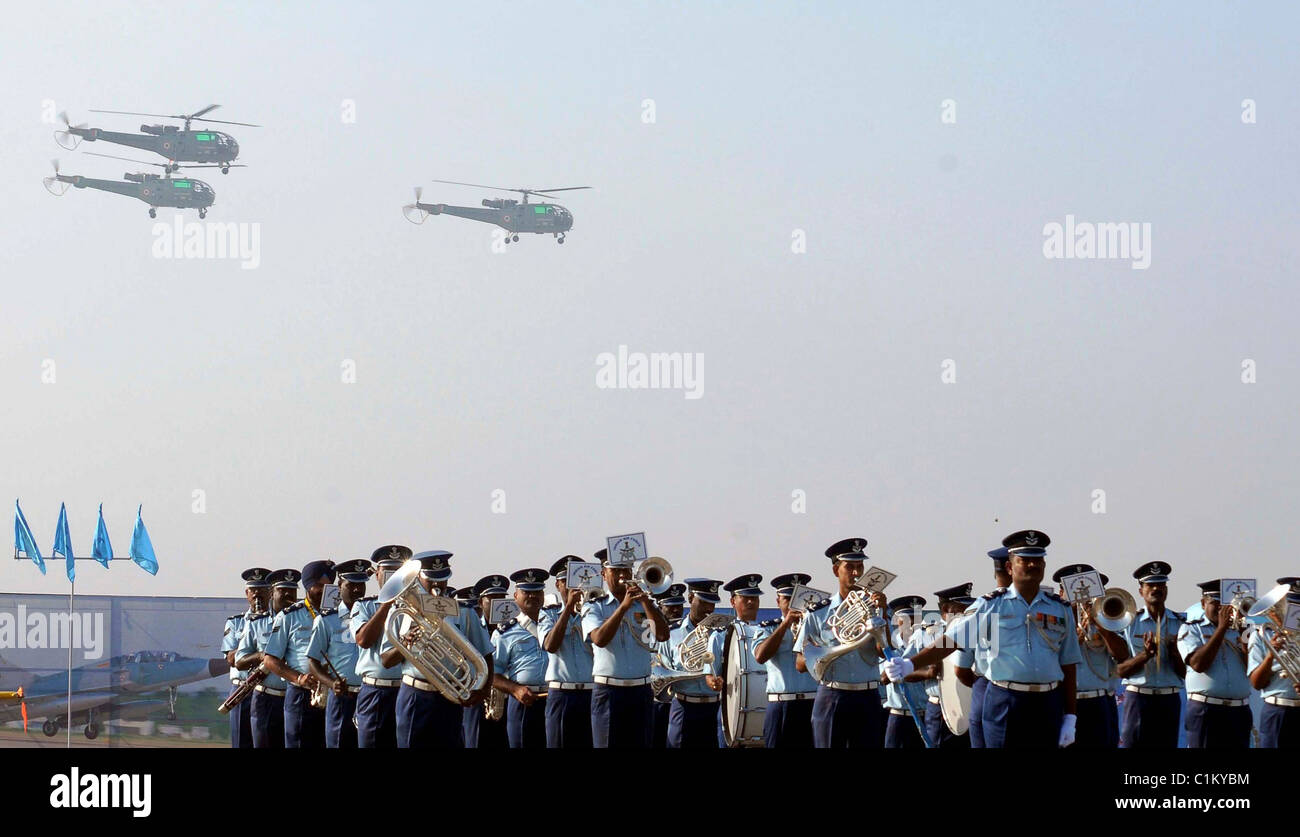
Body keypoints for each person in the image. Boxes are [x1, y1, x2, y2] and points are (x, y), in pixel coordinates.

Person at [887, 530, 1080, 749]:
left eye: (1038, 561)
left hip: (1048, 703)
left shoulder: (1059, 609)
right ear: (1010, 567)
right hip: (1005, 700)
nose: (1032, 566)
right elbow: (952, 640)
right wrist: (911, 663)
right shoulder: (990, 605)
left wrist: (1070, 717)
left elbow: (1069, 664)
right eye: (1024, 560)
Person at [388, 551, 493, 749]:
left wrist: (483, 690)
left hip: (451, 696)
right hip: (415, 695)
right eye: (432, 580)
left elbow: (485, 654)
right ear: (418, 578)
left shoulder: (464, 611)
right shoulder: (402, 611)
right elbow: (386, 660)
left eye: (442, 580)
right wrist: (404, 645)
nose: (438, 585)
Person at [794, 537, 889, 748]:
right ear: (836, 570)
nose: (856, 573)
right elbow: (800, 663)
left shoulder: (876, 607)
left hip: (868, 695)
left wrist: (883, 616)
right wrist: (822, 658)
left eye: (860, 566)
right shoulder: (818, 612)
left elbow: (884, 652)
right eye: (850, 567)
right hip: (832, 694)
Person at [581, 547, 670, 748]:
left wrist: (646, 602)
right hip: (609, 692)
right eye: (616, 571)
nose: (622, 576)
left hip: (641, 691)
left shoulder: (644, 605)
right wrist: (623, 607)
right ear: (604, 574)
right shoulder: (594, 606)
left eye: (626, 571)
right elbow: (599, 639)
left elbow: (663, 635)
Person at [1052, 565, 1127, 748]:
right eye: (1075, 590)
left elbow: (1123, 656)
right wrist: (1075, 636)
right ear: (1062, 592)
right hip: (1068, 704)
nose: (1083, 598)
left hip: (1101, 702)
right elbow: (1050, 660)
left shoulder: (1108, 620)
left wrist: (1103, 628)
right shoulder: (1053, 623)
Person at [263, 560, 334, 748]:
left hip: (335, 694)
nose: (323, 591)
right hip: (302, 695)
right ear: (308, 586)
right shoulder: (289, 616)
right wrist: (298, 678)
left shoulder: (340, 615)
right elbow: (270, 659)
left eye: (328, 586)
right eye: (319, 586)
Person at [1116, 561, 1185, 748]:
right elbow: (1120, 670)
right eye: (1150, 585)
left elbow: (1187, 673)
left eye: (1161, 584)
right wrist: (1144, 656)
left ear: (1167, 589)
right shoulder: (1129, 622)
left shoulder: (1181, 623)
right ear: (1141, 591)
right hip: (1139, 698)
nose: (1156, 589)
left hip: (1168, 699)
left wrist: (1174, 653)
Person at [1178, 579, 1252, 748]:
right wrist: (1221, 630)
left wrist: (1245, 638)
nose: (1221, 609)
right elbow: (1198, 665)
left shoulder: (1241, 631)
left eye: (1225, 605)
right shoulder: (1191, 629)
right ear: (1203, 604)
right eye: (1215, 603)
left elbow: (1253, 672)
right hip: (1206, 709)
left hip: (1239, 711)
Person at [350, 545, 410, 748]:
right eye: (388, 572)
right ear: (377, 574)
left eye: (398, 572)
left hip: (407, 689)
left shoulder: (414, 605)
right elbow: (363, 640)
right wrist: (387, 604)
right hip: (375, 690)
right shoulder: (364, 606)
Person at [308, 558, 370, 748]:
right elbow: (313, 661)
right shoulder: (326, 620)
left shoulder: (374, 617)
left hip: (369, 696)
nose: (358, 590)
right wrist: (330, 682)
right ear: (340, 585)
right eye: (351, 585)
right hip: (343, 697)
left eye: (361, 585)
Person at [234, 568, 299, 748]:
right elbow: (239, 661)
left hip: (296, 697)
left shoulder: (304, 621)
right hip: (267, 698)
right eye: (282, 590)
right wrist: (263, 656)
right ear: (272, 593)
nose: (288, 595)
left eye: (292, 590)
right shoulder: (257, 623)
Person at [752, 573, 818, 748]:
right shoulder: (769, 628)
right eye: (787, 599)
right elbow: (760, 656)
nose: (792, 604)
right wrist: (785, 625)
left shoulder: (817, 625)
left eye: (798, 598)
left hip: (812, 702)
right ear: (778, 601)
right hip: (781, 704)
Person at [659, 578, 726, 748]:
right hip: (683, 706)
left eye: (712, 603)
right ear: (690, 599)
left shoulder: (723, 633)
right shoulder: (671, 633)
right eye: (703, 602)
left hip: (715, 708)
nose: (709, 608)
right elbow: (661, 667)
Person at [539, 556, 595, 748]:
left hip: (591, 692)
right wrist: (569, 608)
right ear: (557, 585)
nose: (572, 587)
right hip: (561, 694)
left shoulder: (594, 611)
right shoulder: (548, 613)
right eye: (566, 582)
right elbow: (551, 645)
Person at [493, 568, 550, 748]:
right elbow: (492, 673)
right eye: (527, 592)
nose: (532, 597)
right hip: (523, 702)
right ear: (516, 596)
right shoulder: (504, 633)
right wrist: (515, 689)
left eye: (537, 591)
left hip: (554, 699)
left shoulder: (557, 624)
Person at [1249, 577, 1300, 748]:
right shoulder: (1261, 635)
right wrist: (1271, 655)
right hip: (1277, 711)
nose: (1294, 613)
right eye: (1289, 607)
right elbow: (1256, 683)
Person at [223, 567, 270, 748]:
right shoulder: (236, 622)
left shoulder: (279, 621)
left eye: (263, 590)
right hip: (242, 689)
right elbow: (231, 658)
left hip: (268, 689)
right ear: (247, 593)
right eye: (253, 590)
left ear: (270, 592)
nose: (258, 595)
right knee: (242, 740)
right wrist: (252, 644)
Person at [465, 574, 512, 749]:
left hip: (507, 701)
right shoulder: (472, 627)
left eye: (501, 598)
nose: (497, 604)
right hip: (479, 700)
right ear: (480, 603)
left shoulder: (514, 628)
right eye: (492, 599)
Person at [926, 583, 975, 749]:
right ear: (946, 609)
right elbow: (901, 669)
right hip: (941, 708)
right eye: (963, 607)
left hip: (969, 704)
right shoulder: (928, 633)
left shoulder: (973, 630)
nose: (968, 610)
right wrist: (928, 673)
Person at [882, 595, 930, 749]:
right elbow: (884, 677)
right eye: (907, 619)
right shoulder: (888, 648)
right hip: (899, 718)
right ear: (897, 621)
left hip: (925, 716)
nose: (912, 624)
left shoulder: (926, 647)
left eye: (915, 618)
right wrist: (922, 672)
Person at [649, 583, 686, 748]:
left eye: (679, 606)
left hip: (678, 701)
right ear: (659, 607)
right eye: (671, 607)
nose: (676, 610)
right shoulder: (650, 630)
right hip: (658, 702)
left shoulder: (685, 631)